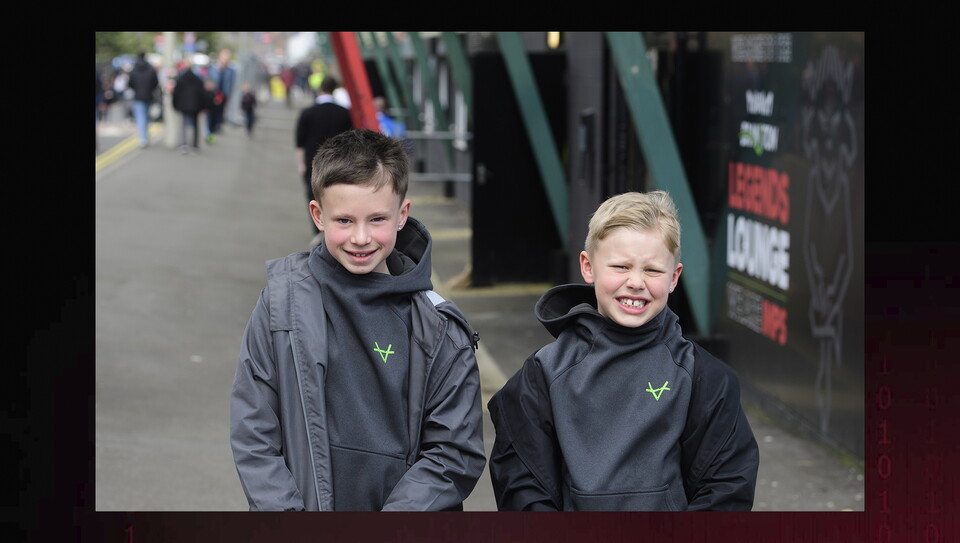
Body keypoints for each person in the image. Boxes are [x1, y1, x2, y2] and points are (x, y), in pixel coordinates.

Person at [230, 128, 486, 511]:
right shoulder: (281, 304)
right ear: (318, 215)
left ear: (403, 215)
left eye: (377, 219)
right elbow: (254, 428)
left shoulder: (439, 328)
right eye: (345, 221)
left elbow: (453, 453)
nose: (361, 237)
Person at [487, 190, 760, 511]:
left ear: (674, 277)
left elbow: (725, 489)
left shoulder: (706, 379)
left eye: (653, 270)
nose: (635, 282)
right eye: (620, 266)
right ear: (588, 267)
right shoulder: (542, 375)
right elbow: (522, 487)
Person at [294, 75, 354, 239]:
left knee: (313, 195)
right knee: (337, 194)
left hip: (313, 161)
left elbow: (300, 142)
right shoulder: (345, 113)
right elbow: (351, 139)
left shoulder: (308, 113)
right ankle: (337, 228)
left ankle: (318, 231)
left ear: (320, 89)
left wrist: (301, 164)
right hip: (339, 161)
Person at [172, 59, 206, 155]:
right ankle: (194, 146)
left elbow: (176, 93)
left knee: (183, 124)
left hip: (183, 105)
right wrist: (203, 106)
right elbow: (202, 94)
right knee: (195, 125)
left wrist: (174, 105)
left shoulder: (181, 79)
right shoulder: (198, 79)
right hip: (196, 105)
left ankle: (184, 144)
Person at [127, 51, 159, 148]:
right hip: (148, 96)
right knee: (145, 116)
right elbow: (155, 82)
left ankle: (143, 138)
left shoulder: (134, 69)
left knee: (140, 117)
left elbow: (130, 83)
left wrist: (136, 89)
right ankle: (145, 136)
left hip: (138, 96)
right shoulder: (150, 68)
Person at [205, 48, 236, 142]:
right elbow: (208, 81)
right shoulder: (212, 68)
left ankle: (216, 128)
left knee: (220, 114)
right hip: (212, 95)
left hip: (223, 96)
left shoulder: (231, 70)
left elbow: (231, 83)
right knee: (210, 115)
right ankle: (209, 132)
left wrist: (227, 94)